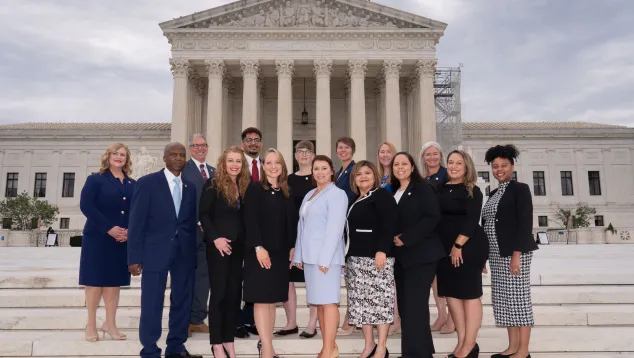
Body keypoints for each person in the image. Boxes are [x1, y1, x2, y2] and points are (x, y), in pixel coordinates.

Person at [127, 142, 201, 358]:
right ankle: (149, 349)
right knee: (152, 302)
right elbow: (136, 222)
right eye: (173, 154)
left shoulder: (190, 187)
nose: (178, 158)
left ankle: (176, 346)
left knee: (182, 301)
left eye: (181, 155)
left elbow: (189, 223)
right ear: (165, 158)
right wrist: (134, 257)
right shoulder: (148, 183)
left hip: (184, 254)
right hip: (154, 252)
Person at [483, 145, 538, 358]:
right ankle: (512, 347)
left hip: (515, 253)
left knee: (519, 300)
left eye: (503, 166)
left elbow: (525, 223)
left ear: (512, 166)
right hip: (497, 255)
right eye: (495, 166)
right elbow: (488, 222)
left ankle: (523, 351)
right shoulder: (495, 192)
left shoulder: (520, 189)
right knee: (504, 300)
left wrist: (517, 253)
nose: (499, 169)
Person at [79, 143, 135, 343]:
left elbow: (135, 210)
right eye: (116, 153)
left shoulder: (132, 184)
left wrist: (129, 230)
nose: (119, 157)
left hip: (121, 240)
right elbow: (87, 206)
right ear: (108, 156)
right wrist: (109, 228)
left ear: (127, 159)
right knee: (94, 282)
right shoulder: (96, 180)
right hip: (98, 237)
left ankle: (110, 324)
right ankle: (91, 324)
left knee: (114, 283)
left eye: (123, 154)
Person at [293, 155, 348, 358]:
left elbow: (335, 229)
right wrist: (298, 255)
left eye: (324, 168)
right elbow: (302, 226)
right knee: (319, 304)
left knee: (329, 303)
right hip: (310, 258)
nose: (320, 172)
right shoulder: (310, 194)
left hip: (327, 260)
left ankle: (329, 348)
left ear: (332, 171)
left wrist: (325, 260)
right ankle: (328, 346)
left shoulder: (337, 194)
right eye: (316, 169)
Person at [244, 148, 297, 358]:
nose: (273, 166)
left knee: (272, 300)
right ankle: (266, 350)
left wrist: (293, 246)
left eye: (277, 163)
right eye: (269, 163)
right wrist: (258, 247)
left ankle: (268, 346)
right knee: (261, 299)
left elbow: (292, 222)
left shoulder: (287, 191)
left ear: (282, 166)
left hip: (280, 254)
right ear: (263, 166)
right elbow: (250, 220)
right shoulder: (255, 189)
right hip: (260, 252)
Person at [200, 146, 251, 358]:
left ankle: (229, 340)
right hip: (219, 247)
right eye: (230, 160)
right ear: (223, 162)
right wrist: (216, 239)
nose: (234, 165)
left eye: (238, 161)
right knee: (219, 295)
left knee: (233, 296)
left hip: (238, 248)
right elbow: (203, 214)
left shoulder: (246, 185)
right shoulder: (212, 184)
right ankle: (216, 343)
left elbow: (247, 220)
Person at [391, 152, 444, 358]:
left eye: (404, 163)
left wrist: (406, 237)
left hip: (422, 255)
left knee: (414, 305)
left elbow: (432, 218)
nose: (400, 167)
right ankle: (419, 351)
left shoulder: (423, 188)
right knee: (407, 307)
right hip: (402, 258)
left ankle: (415, 354)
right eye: (396, 164)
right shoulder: (395, 191)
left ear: (413, 167)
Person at [436, 150, 488, 358]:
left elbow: (471, 221)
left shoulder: (472, 191)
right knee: (451, 295)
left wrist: (457, 245)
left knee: (470, 294)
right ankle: (462, 344)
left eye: (459, 162)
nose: (454, 166)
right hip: (444, 250)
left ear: (466, 167)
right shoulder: (439, 189)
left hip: (467, 247)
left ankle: (470, 344)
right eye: (450, 162)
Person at [345, 161, 397, 358]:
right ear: (354, 179)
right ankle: (369, 345)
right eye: (359, 174)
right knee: (362, 304)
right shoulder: (354, 199)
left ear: (375, 176)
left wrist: (382, 249)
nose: (363, 177)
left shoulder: (382, 195)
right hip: (356, 260)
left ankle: (382, 347)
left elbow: (389, 223)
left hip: (377, 258)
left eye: (367, 173)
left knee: (380, 303)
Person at [279, 140, 319, 339]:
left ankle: (312, 323)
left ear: (313, 155)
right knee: (288, 281)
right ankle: (291, 322)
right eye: (300, 151)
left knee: (312, 280)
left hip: (313, 236)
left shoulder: (318, 177)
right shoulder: (287, 180)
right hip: (292, 235)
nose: (303, 154)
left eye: (307, 151)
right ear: (295, 155)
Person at [182, 133, 216, 337]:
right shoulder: (182, 169)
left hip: (208, 234)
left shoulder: (213, 171)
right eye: (196, 145)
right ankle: (183, 320)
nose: (200, 148)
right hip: (188, 231)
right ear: (190, 148)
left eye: (203, 145)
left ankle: (197, 318)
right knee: (186, 277)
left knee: (204, 278)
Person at [419, 141, 453, 333]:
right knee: (435, 278)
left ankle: (452, 319)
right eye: (427, 154)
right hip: (432, 234)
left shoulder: (448, 174)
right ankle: (442, 314)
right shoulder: (424, 179)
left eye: (435, 154)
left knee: (446, 277)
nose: (431, 158)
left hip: (446, 231)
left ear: (440, 155)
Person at [238, 126, 263, 337]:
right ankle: (236, 319)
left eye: (256, 140)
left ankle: (250, 317)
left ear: (260, 143)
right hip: (238, 228)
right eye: (249, 140)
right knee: (235, 276)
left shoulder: (266, 166)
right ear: (242, 144)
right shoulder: (236, 165)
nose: (253, 143)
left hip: (259, 230)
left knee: (255, 276)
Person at [376, 141, 401, 336]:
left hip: (396, 231)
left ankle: (396, 318)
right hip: (382, 231)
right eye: (382, 152)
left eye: (388, 152)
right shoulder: (379, 177)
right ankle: (390, 316)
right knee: (388, 280)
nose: (385, 155)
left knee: (393, 280)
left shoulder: (397, 177)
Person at [334, 136, 356, 201]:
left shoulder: (356, 170)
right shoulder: (337, 174)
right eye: (340, 147)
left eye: (347, 147)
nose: (343, 150)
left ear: (353, 150)